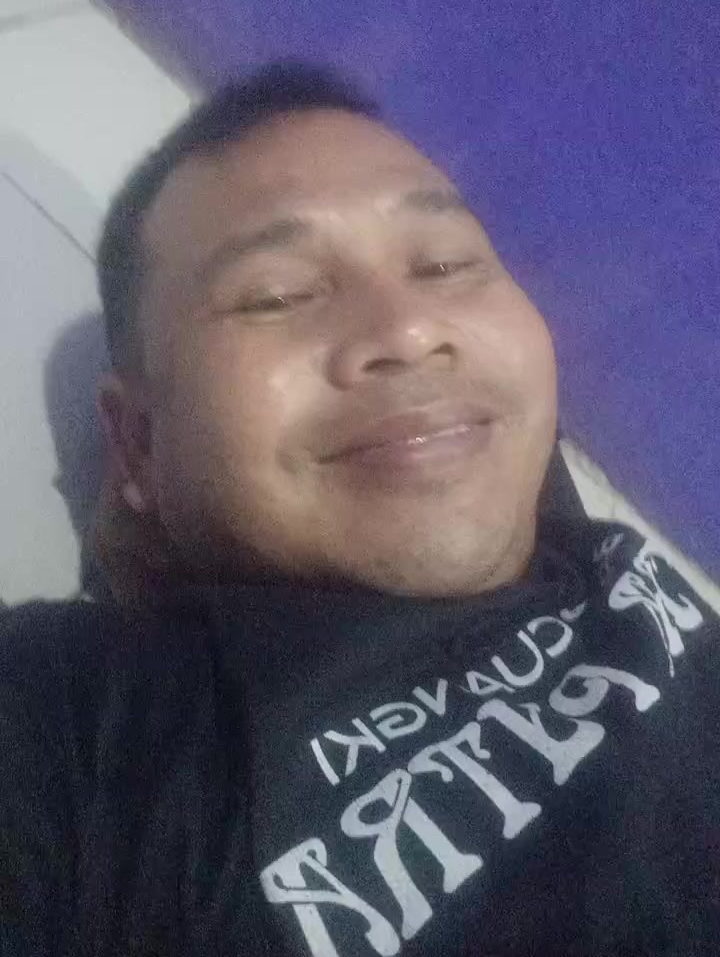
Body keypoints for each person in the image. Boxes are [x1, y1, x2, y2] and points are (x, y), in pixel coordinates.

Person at [1, 64, 718, 957]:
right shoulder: (83, 737)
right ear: (138, 443)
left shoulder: (550, 521)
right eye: (277, 295)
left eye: (446, 264)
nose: (411, 331)